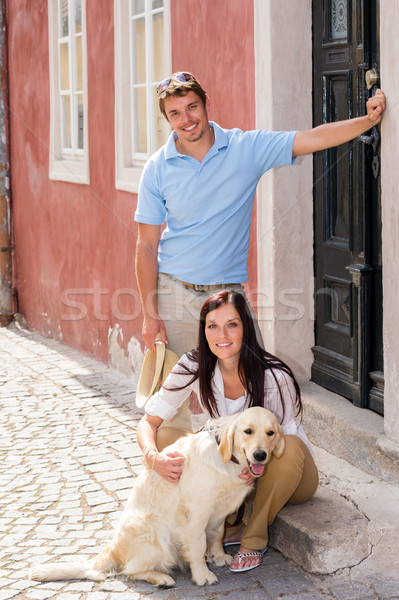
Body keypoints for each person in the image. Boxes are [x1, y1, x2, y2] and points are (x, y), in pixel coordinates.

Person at [134, 71, 386, 357]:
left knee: (255, 388)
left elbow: (311, 138)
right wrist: (150, 313)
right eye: (175, 113)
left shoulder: (246, 148)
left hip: (227, 295)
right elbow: (146, 245)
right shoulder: (157, 168)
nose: (187, 119)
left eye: (192, 107)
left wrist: (368, 121)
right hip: (173, 295)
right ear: (167, 119)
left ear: (206, 103)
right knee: (172, 397)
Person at [136, 290, 319, 573]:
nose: (222, 334)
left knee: (290, 446)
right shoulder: (194, 365)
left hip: (286, 474)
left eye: (232, 324)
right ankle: (201, 523)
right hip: (235, 470)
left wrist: (255, 464)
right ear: (204, 331)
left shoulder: (273, 376)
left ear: (246, 327)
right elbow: (149, 423)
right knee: (166, 438)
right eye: (213, 326)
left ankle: (253, 539)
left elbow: (287, 439)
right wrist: (153, 457)